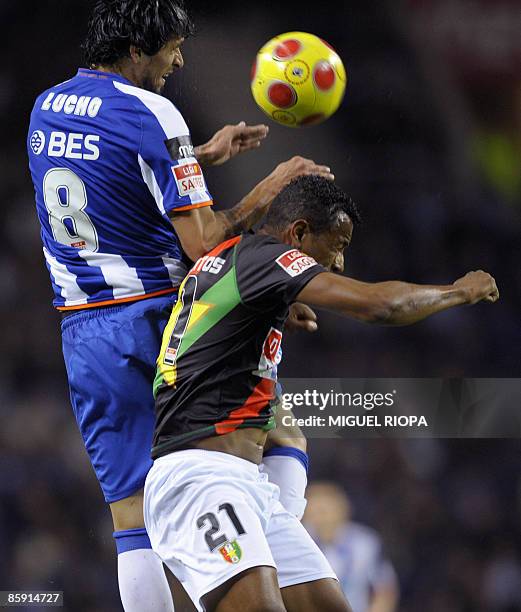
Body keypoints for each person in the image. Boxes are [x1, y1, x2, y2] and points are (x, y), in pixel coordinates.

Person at [26, 1, 332, 610]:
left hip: (84, 330)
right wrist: (269, 187)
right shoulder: (152, 111)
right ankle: (263, 564)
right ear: (138, 50)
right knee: (275, 432)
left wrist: (199, 156)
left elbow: (107, 167)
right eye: (171, 47)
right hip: (166, 319)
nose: (179, 59)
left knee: (132, 512)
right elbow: (204, 243)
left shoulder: (47, 106)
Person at [144, 174, 499, 612]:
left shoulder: (234, 261)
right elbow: (379, 305)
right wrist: (459, 291)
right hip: (200, 480)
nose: (340, 263)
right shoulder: (265, 259)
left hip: (247, 485)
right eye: (337, 245)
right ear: (299, 233)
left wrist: (273, 309)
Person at [304, 482, 399, 612]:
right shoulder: (298, 544)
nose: (319, 518)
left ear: (342, 509)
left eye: (323, 511)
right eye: (313, 511)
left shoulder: (365, 543)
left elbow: (384, 590)